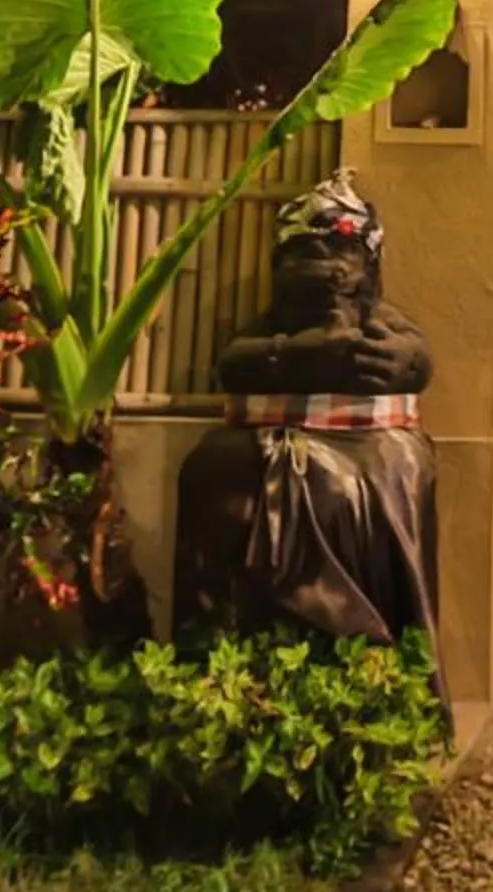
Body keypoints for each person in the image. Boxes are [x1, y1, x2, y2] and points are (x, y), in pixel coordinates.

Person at [173, 170, 443, 700]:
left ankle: (374, 652)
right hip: (275, 436)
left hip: (365, 442)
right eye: (308, 268)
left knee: (393, 468)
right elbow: (232, 363)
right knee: (212, 465)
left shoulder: (382, 322)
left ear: (368, 271)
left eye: (343, 270)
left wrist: (399, 362)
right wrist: (291, 353)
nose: (329, 283)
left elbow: (419, 359)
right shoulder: (274, 325)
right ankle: (214, 661)